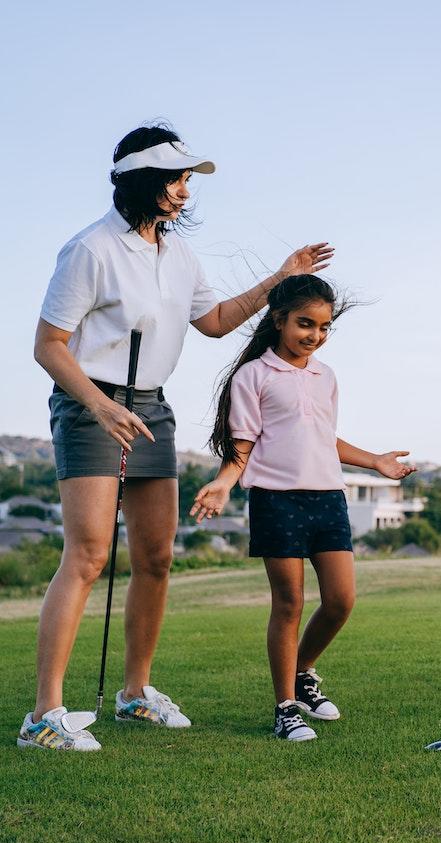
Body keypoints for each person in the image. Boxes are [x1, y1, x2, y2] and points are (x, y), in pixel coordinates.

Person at [21, 125, 333, 751]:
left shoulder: (177, 255)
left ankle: (135, 694)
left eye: (188, 179)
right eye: (176, 179)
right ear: (143, 181)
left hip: (153, 411)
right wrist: (100, 406)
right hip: (92, 406)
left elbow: (215, 324)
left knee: (157, 559)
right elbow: (48, 346)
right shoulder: (90, 250)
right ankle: (43, 717)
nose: (186, 191)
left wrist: (280, 278)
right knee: (87, 556)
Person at [189, 274, 415, 741]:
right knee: (289, 604)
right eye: (304, 324)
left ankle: (303, 672)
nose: (314, 335)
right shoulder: (252, 376)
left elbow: (321, 437)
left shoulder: (325, 377)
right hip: (277, 501)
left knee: (340, 601)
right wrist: (224, 482)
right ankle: (285, 708)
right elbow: (243, 444)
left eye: (323, 327)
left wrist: (374, 462)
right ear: (279, 321)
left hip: (328, 499)